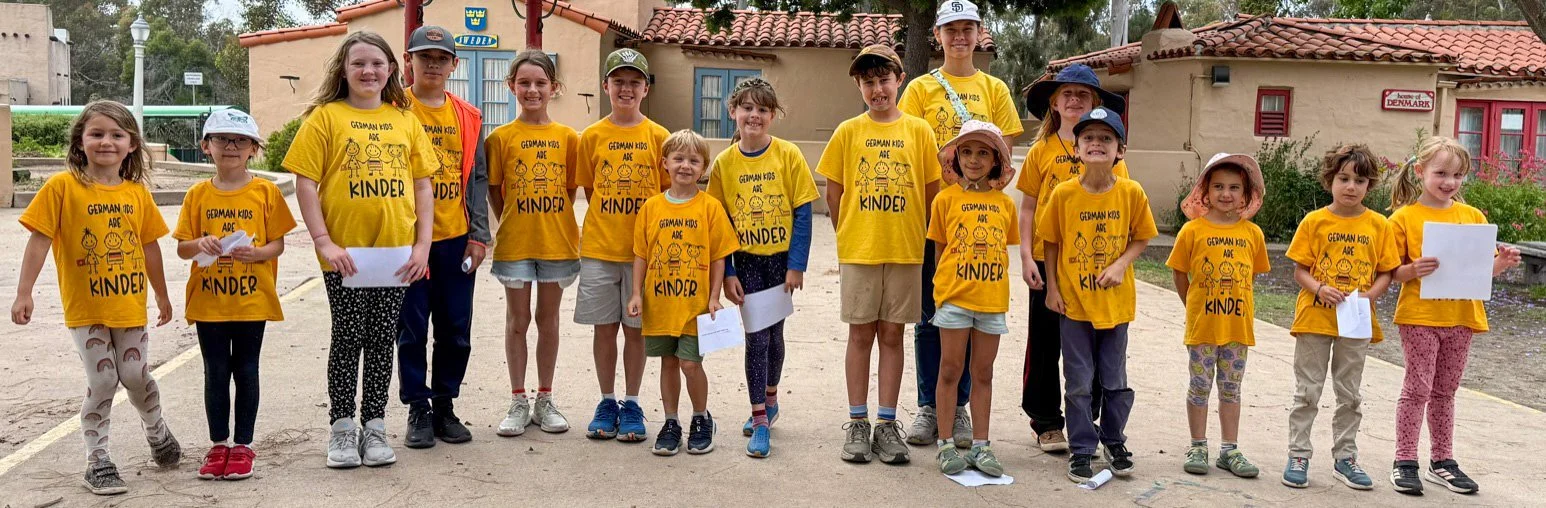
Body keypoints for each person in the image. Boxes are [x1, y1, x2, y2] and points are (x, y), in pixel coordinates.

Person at [283, 31, 437, 469]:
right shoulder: (325, 118)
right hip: (345, 256)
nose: (368, 71)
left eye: (377, 63)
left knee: (382, 340)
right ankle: (342, 426)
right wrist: (323, 241)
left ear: (391, 69)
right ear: (344, 70)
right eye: (358, 64)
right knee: (348, 338)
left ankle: (374, 424)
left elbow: (423, 185)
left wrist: (422, 245)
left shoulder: (405, 120)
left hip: (394, 255)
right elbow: (306, 183)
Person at [12, 100, 181, 495]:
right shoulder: (61, 188)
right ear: (80, 141)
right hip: (85, 309)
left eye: (117, 135)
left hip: (129, 305)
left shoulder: (137, 193)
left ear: (132, 144)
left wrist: (162, 295)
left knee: (136, 375)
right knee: (103, 378)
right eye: (97, 134)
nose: (107, 142)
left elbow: (150, 247)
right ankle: (98, 460)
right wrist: (25, 293)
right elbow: (39, 242)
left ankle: (157, 432)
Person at [898, 0, 1024, 448]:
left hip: (978, 220)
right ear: (937, 34)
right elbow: (909, 146)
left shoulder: (994, 88)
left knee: (975, 314)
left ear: (979, 33)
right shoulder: (918, 89)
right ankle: (930, 406)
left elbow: (1000, 149)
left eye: (967, 28)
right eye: (951, 29)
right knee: (933, 314)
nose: (959, 37)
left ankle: (963, 409)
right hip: (933, 217)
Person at [818, 44, 941, 465]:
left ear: (899, 80)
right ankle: (858, 422)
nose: (877, 89)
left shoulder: (919, 131)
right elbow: (834, 192)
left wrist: (919, 237)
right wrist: (851, 232)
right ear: (859, 85)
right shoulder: (848, 132)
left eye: (884, 80)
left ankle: (887, 424)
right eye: (868, 82)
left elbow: (930, 192)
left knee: (893, 335)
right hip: (860, 251)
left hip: (906, 252)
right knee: (860, 335)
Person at [1384, 137, 1522, 495]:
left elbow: (1480, 270)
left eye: (1458, 175)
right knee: (1417, 389)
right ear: (1420, 172)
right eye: (1441, 173)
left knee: (1446, 391)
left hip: (1462, 316)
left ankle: (1442, 460)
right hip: (1420, 316)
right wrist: (1411, 270)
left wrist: (1501, 263)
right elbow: (1390, 272)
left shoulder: (1472, 216)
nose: (1450, 182)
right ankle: (1404, 460)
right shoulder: (1403, 218)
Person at [176, 109, 296, 481]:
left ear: (253, 149)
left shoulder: (265, 191)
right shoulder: (197, 194)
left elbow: (277, 243)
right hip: (209, 302)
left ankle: (243, 444)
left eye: (240, 140)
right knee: (215, 370)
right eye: (221, 139)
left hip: (251, 299)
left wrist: (257, 253)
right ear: (205, 147)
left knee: (245, 369)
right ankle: (218, 444)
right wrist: (200, 242)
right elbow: (182, 249)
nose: (231, 146)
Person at [1014, 63, 1128, 453]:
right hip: (1049, 261)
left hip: (1093, 265)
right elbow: (1027, 208)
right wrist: (1027, 256)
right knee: (1045, 343)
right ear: (1054, 103)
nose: (1074, 99)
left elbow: (1124, 205)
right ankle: (1046, 421)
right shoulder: (1040, 152)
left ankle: (1088, 417)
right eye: (1067, 94)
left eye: (1083, 94)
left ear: (1095, 101)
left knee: (1094, 342)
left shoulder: (1110, 151)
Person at [1038, 107, 1157, 483]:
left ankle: (1114, 439)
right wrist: (1052, 290)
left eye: (1106, 139)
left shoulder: (1131, 192)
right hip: (1074, 305)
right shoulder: (1064, 194)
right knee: (1077, 381)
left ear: (1120, 150)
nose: (1096, 144)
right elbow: (1051, 243)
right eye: (1088, 138)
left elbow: (1142, 236)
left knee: (1114, 380)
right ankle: (1083, 448)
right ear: (1077, 148)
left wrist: (1121, 264)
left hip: (1116, 306)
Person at [705, 78, 820, 458]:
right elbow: (719, 224)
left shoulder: (788, 155)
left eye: (763, 109)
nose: (754, 115)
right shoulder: (724, 163)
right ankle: (759, 420)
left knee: (774, 336)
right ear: (733, 111)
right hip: (749, 262)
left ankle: (771, 398)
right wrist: (729, 273)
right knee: (756, 338)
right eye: (747, 108)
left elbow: (803, 213)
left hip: (781, 262)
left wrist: (797, 265)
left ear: (773, 115)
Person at [1281, 144, 1400, 490]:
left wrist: (1368, 296)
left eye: (1359, 180)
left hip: (1356, 321)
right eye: (1344, 178)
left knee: (1350, 393)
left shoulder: (1379, 225)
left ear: (1369, 185)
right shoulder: (1314, 221)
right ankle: (1298, 453)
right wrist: (1318, 288)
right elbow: (1300, 270)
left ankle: (1345, 458)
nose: (1351, 186)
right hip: (1314, 319)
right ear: (1330, 180)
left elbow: (1386, 273)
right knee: (1307, 391)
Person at [397, 25, 490, 449]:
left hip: (455, 237)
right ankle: (418, 406)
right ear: (408, 61)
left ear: (454, 64)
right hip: (408, 238)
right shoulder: (393, 110)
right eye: (424, 56)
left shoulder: (468, 116)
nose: (432, 64)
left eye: (441, 58)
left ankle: (445, 404)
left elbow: (478, 177)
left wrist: (479, 235)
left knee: (456, 328)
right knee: (412, 327)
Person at [574, 48, 671, 443]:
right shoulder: (592, 136)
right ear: (606, 86)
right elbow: (589, 187)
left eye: (634, 82)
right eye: (619, 81)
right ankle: (606, 399)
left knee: (636, 331)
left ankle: (632, 401)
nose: (626, 89)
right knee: (604, 329)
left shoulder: (658, 136)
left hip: (643, 253)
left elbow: (667, 195)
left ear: (645, 88)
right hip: (599, 247)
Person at [628, 129, 740, 456]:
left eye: (694, 160)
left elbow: (720, 255)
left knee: (689, 364)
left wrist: (715, 294)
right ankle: (671, 421)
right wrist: (636, 294)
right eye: (678, 159)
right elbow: (641, 254)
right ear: (664, 163)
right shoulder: (651, 208)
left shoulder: (710, 207)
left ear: (703, 167)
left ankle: (701, 418)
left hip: (694, 306)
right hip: (660, 303)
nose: (685, 166)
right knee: (667, 362)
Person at [489, 50, 579, 437]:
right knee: (517, 321)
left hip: (557, 243)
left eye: (540, 83)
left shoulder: (568, 138)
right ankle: (517, 399)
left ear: (553, 88)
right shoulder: (500, 138)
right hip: (515, 244)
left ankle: (545, 398)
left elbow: (572, 189)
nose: (532, 90)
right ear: (512, 86)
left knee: (549, 320)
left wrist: (549, 217)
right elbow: (495, 191)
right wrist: (516, 217)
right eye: (524, 83)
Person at [1166, 153, 1269, 478]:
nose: (1226, 193)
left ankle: (1229, 449)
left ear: (1246, 194)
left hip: (1237, 329)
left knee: (1231, 389)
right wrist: (1193, 306)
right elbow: (1180, 274)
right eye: (1219, 186)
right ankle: (1198, 444)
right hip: (1202, 329)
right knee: (1199, 386)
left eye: (1234, 187)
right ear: (1205, 192)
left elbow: (1249, 276)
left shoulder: (1253, 234)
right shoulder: (1192, 231)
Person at [927, 120, 1019, 477]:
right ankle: (946, 443)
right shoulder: (945, 199)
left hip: (992, 301)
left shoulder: (1005, 205)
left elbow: (1003, 248)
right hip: (954, 299)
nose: (975, 160)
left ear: (996, 159)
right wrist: (942, 293)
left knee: (983, 372)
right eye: (967, 152)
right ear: (956, 157)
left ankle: (981, 445)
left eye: (983, 153)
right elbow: (940, 251)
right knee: (950, 370)